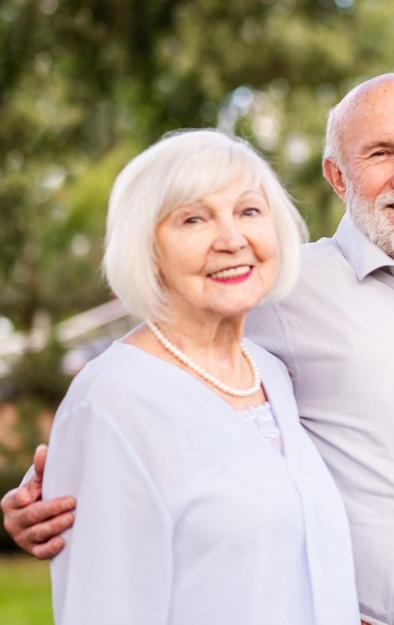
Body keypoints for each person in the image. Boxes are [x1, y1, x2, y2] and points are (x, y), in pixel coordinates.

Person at [3, 75, 394, 625]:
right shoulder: (285, 292)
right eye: (379, 153)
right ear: (337, 177)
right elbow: (150, 371)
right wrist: (61, 483)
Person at [39, 129, 359, 624]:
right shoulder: (109, 401)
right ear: (147, 251)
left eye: (249, 211)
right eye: (193, 219)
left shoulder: (268, 371)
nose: (232, 239)